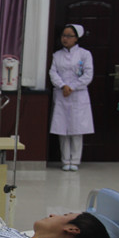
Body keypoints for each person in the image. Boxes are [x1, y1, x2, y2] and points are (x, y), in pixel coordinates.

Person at [49, 24, 94, 172]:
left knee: (76, 130)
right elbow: (53, 73)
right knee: (62, 129)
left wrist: (72, 87)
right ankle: (65, 160)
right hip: (62, 94)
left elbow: (88, 74)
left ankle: (75, 160)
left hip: (78, 95)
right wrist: (63, 86)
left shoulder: (84, 54)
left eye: (69, 36)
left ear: (76, 38)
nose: (65, 39)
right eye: (64, 35)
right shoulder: (57, 55)